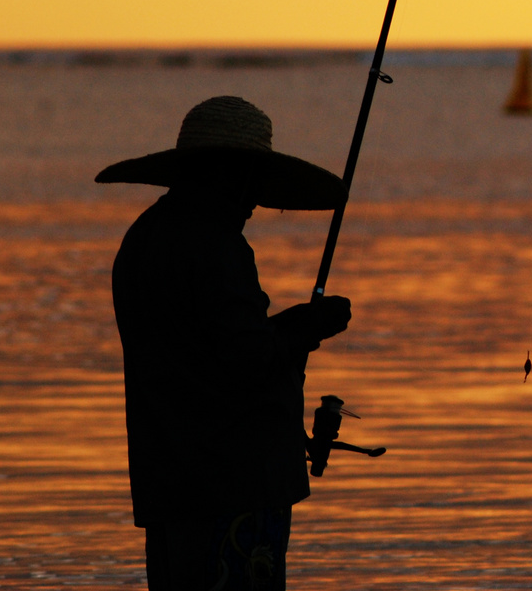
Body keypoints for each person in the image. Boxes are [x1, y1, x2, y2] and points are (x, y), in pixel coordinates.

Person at [101, 96, 353, 590]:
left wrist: (297, 324)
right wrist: (310, 326)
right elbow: (250, 360)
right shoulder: (215, 244)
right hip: (232, 487)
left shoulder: (145, 236)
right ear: (229, 173)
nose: (256, 202)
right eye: (253, 181)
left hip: (169, 487)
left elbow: (207, 346)